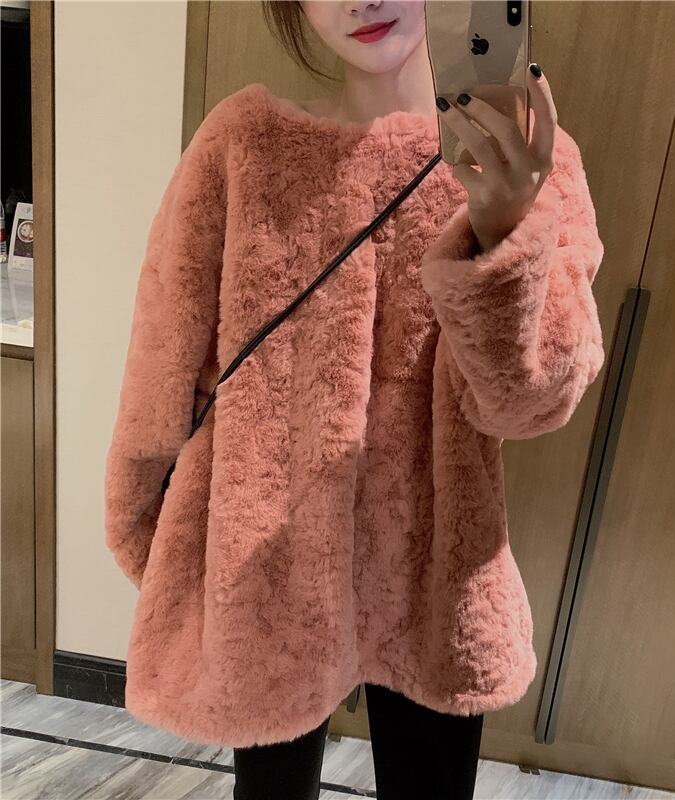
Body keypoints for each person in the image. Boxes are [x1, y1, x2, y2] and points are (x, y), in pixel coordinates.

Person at [104, 2, 605, 799]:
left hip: (436, 560)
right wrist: (147, 522)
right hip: (265, 558)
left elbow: (529, 403)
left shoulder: (528, 159)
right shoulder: (243, 146)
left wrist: (505, 233)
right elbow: (163, 359)